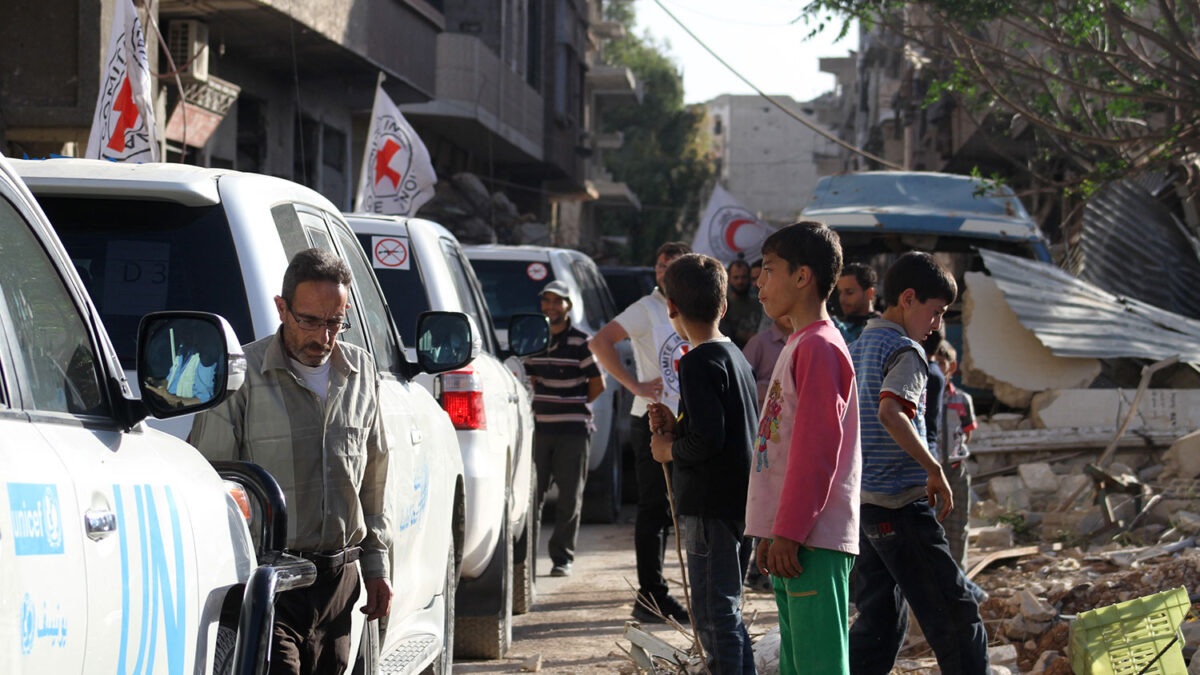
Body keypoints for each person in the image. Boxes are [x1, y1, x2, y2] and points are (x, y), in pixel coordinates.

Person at [191, 248, 392, 675]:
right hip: (271, 585)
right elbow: (210, 485)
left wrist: (376, 565)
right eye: (310, 321)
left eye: (335, 322)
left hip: (339, 584)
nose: (323, 337)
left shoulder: (360, 372)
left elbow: (373, 482)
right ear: (282, 309)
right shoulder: (240, 376)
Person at [846, 252, 988, 675]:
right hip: (902, 504)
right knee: (957, 616)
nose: (937, 325)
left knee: (880, 619)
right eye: (936, 312)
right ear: (908, 298)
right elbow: (892, 412)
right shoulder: (906, 350)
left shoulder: (857, 346)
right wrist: (934, 467)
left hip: (866, 505)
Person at [745, 222, 860, 675]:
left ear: (802, 276)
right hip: (794, 539)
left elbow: (815, 451)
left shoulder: (819, 347)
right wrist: (773, 531)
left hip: (812, 539)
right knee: (799, 664)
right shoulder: (799, 344)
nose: (759, 281)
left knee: (819, 666)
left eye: (768, 269)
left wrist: (788, 531)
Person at [646, 253, 757, 674]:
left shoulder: (697, 362)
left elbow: (709, 440)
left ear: (671, 307)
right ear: (723, 306)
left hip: (711, 508)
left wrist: (667, 451)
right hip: (737, 504)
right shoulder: (736, 357)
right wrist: (672, 427)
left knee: (714, 617)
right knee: (726, 613)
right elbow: (716, 429)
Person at [589, 241, 692, 623]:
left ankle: (660, 590)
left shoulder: (688, 306)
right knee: (655, 509)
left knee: (674, 510)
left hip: (686, 419)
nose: (664, 271)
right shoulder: (647, 308)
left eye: (673, 265)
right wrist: (634, 385)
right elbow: (600, 342)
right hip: (650, 418)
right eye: (660, 265)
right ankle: (651, 595)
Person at [524, 280, 605, 577]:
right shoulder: (535, 338)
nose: (551, 307)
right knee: (533, 494)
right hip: (541, 430)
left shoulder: (581, 341)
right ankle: (527, 560)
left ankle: (562, 558)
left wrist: (570, 404)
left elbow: (598, 384)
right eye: (547, 300)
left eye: (557, 301)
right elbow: (530, 378)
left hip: (574, 431)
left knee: (570, 497)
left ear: (568, 306)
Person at [933, 341, 977, 571]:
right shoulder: (923, 397)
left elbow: (967, 433)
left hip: (955, 471)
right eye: (935, 362)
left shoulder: (961, 399)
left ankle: (958, 577)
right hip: (929, 472)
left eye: (942, 363)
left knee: (957, 528)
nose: (938, 367)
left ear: (952, 366)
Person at [741, 315, 791, 407]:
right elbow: (741, 385)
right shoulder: (759, 342)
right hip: (762, 415)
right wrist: (772, 389)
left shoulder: (804, 342)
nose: (791, 314)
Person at [719, 259, 763, 349]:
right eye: (736, 277)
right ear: (729, 278)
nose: (740, 281)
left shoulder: (760, 304)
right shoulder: (723, 307)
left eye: (744, 277)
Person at [834, 262, 880, 344]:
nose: (842, 299)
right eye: (840, 293)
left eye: (849, 292)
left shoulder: (880, 328)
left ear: (869, 293)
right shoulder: (841, 324)